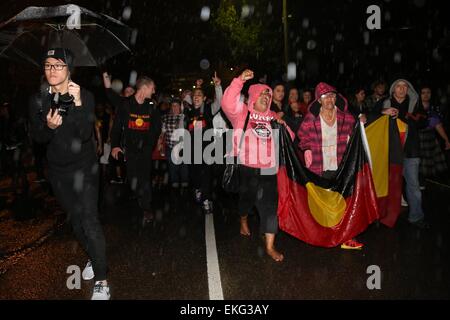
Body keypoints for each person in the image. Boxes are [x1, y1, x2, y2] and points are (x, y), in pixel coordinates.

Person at [28, 48, 109, 299]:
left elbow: (85, 134)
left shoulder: (83, 95)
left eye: (58, 65)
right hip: (58, 172)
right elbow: (38, 138)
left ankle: (102, 280)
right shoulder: (38, 99)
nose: (52, 70)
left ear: (69, 70)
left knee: (90, 220)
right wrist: (49, 127)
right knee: (75, 223)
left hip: (85, 168)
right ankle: (93, 258)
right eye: (48, 65)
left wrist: (79, 106)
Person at [222, 69, 294, 262]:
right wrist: (239, 81)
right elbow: (226, 102)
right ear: (253, 96)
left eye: (268, 94)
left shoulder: (273, 116)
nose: (266, 97)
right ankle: (243, 218)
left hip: (269, 169)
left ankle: (270, 246)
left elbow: (290, 139)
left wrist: (283, 125)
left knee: (270, 207)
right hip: (247, 167)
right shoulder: (242, 112)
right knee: (246, 200)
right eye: (262, 93)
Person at [298, 82, 363, 250]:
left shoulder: (345, 116)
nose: (329, 99)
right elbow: (302, 135)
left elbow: (357, 128)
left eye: (332, 96)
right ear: (319, 100)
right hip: (320, 164)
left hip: (341, 164)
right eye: (325, 97)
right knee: (323, 201)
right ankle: (324, 234)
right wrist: (306, 149)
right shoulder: (311, 118)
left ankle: (346, 237)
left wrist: (363, 120)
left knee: (343, 201)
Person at [110, 75, 161, 226]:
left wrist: (149, 145)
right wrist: (114, 145)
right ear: (144, 88)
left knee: (144, 178)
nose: (154, 91)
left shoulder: (152, 105)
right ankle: (139, 195)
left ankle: (147, 208)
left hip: (145, 150)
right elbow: (117, 127)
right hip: (130, 150)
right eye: (152, 88)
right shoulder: (125, 105)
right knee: (133, 178)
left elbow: (156, 128)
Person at [380, 79, 429, 229]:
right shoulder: (384, 102)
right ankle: (385, 215)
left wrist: (403, 115)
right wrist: (384, 112)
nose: (401, 89)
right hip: (390, 151)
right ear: (393, 89)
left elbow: (423, 122)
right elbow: (371, 116)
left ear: (408, 89)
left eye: (405, 86)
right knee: (389, 185)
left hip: (410, 151)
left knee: (413, 185)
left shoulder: (415, 104)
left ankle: (416, 216)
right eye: (398, 86)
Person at [183, 72, 223, 214]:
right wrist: (196, 86)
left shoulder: (208, 109)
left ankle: (206, 200)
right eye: (195, 95)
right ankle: (198, 189)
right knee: (194, 175)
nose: (196, 97)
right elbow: (185, 97)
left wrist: (217, 86)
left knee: (206, 175)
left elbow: (219, 101)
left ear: (205, 98)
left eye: (199, 95)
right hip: (191, 149)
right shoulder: (188, 111)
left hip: (206, 149)